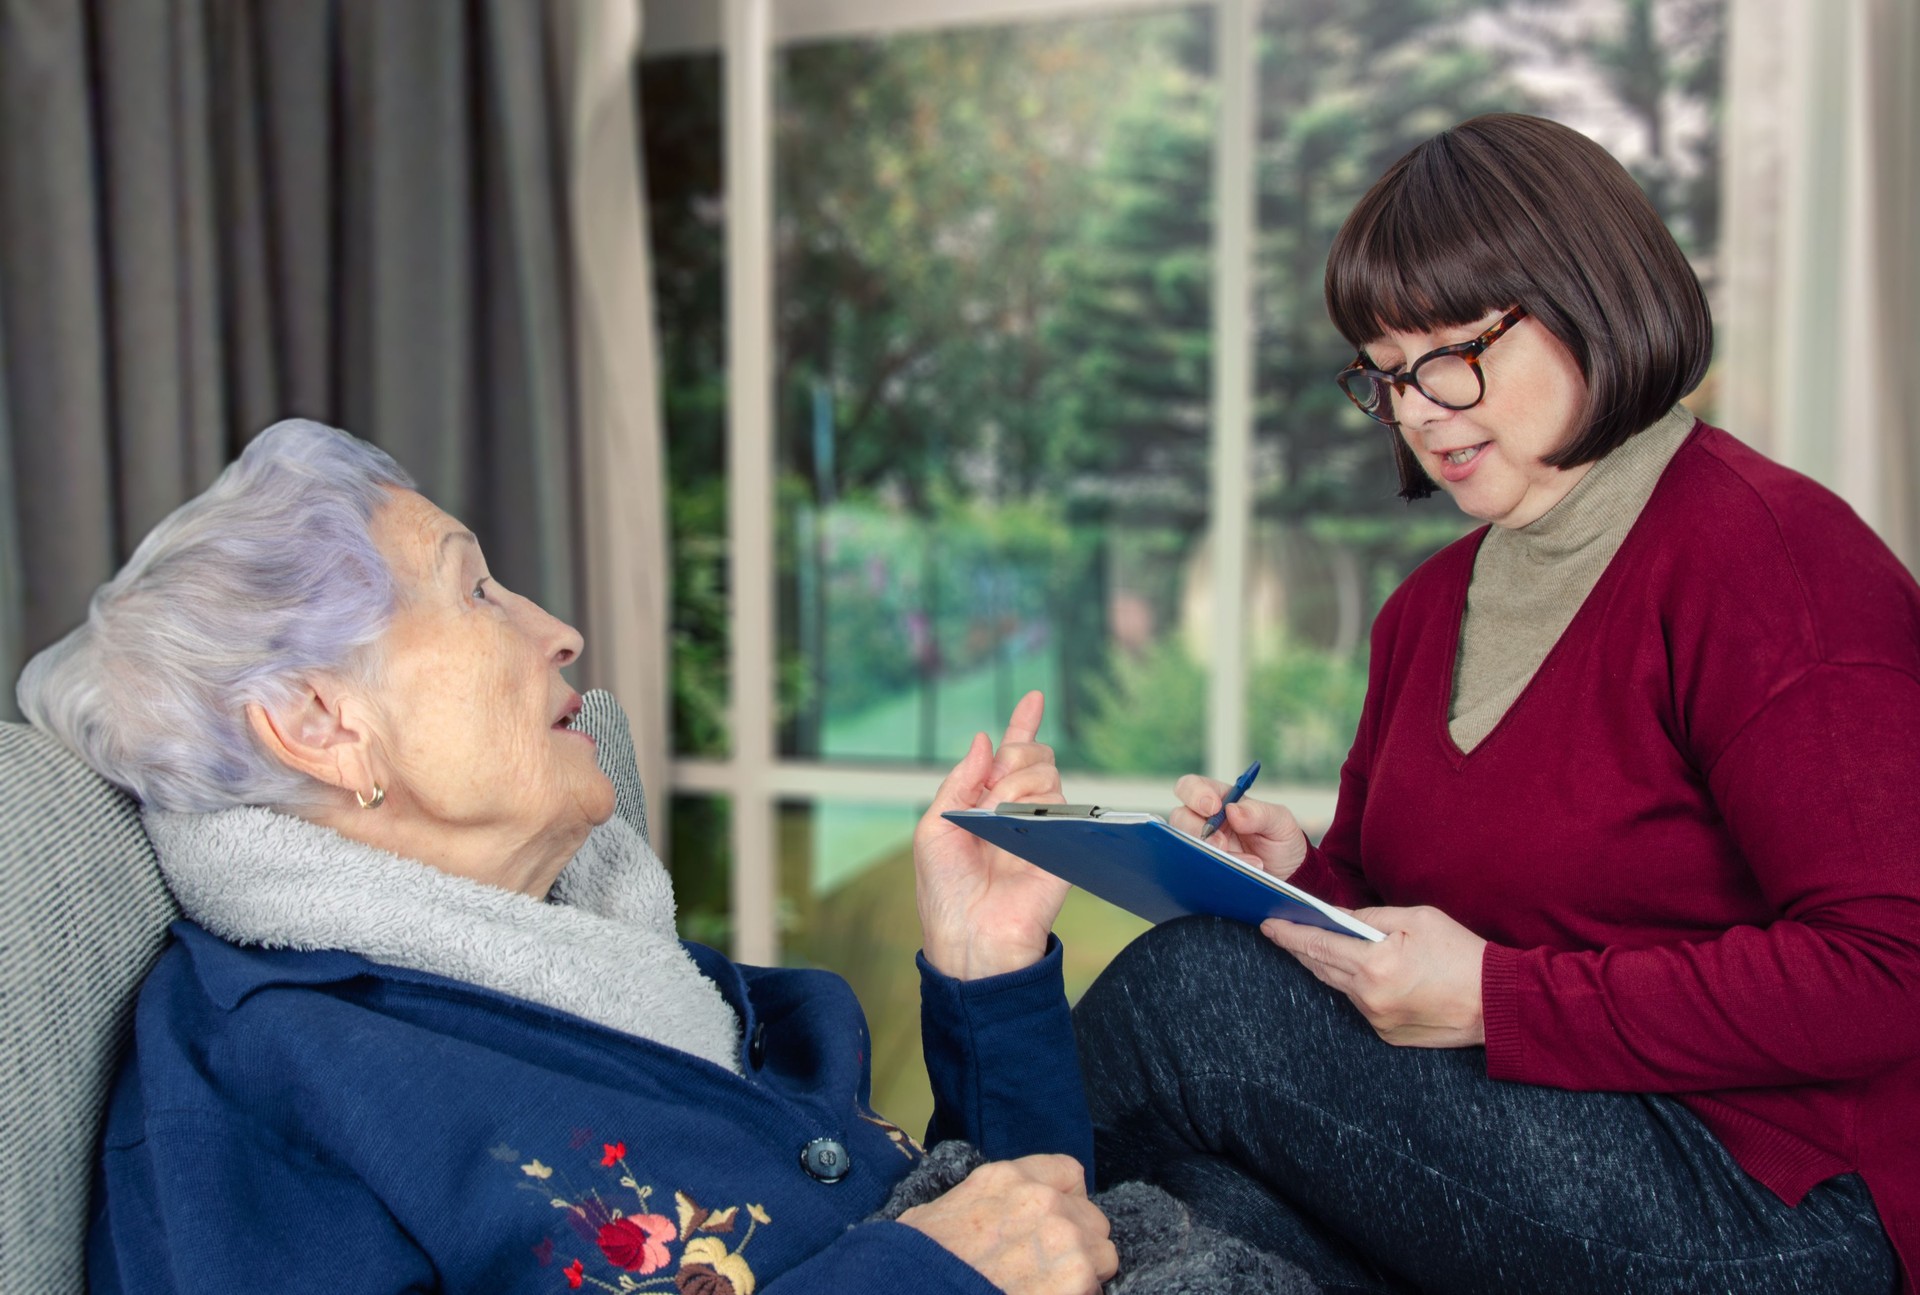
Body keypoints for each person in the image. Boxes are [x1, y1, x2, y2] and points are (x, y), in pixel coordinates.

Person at [1071, 113, 1917, 1295]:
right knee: (1192, 1214)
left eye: (1454, 351)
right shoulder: (1425, 612)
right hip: (1535, 1143)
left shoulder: (1773, 563)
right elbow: (1407, 940)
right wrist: (1298, 874)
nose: (1418, 408)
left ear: (1595, 299)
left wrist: (1501, 998)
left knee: (1190, 994)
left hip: (1774, 1204)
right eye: (1386, 370)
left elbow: (1890, 965)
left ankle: (887, 1241)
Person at [21, 420, 1119, 1294]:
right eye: (477, 589)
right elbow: (942, 1256)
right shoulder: (255, 1087)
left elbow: (1023, 1234)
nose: (557, 630)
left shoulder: (619, 965)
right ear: (319, 719)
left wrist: (988, 973)